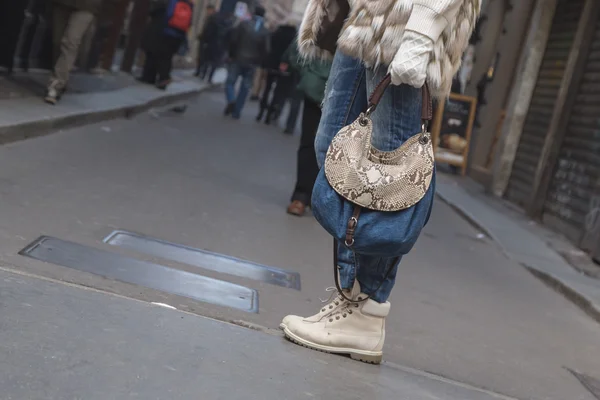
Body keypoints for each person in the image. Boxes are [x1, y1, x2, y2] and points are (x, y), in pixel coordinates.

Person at [281, 0, 480, 363]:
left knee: (390, 167)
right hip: (364, 19)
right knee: (334, 148)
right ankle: (349, 296)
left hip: (403, 20)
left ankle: (365, 307)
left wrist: (420, 32)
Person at [283, 41, 331, 216]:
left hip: (345, 92)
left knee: (335, 149)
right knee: (308, 143)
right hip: (316, 89)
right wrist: (309, 73)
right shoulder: (324, 15)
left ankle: (318, 197)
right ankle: (301, 196)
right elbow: (298, 48)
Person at [45, 0, 105, 104]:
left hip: (87, 5)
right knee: (57, 42)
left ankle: (57, 85)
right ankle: (62, 78)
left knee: (70, 42)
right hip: (63, 3)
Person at [223, 6, 269, 119]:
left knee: (230, 82)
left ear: (253, 13)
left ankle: (231, 100)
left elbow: (234, 40)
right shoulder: (265, 31)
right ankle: (236, 112)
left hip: (238, 58)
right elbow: (267, 50)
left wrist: (231, 55)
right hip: (252, 63)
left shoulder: (244, 24)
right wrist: (258, 61)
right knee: (245, 87)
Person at [140, 0, 194, 90]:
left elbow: (167, 15)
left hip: (167, 32)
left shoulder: (173, 1)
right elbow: (189, 22)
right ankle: (158, 78)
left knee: (161, 55)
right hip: (178, 35)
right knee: (167, 56)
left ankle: (163, 78)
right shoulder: (189, 5)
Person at [255, 24, 297, 123]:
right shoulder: (293, 38)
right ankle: (270, 114)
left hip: (271, 65)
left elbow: (268, 48)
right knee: (277, 91)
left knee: (267, 89)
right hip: (284, 67)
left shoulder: (275, 34)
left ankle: (261, 111)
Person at [195, 5, 225, 82]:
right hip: (219, 44)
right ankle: (209, 77)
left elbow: (208, 31)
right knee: (213, 62)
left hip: (209, 43)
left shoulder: (211, 18)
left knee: (206, 59)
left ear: (211, 10)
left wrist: (202, 38)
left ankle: (202, 74)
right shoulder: (221, 20)